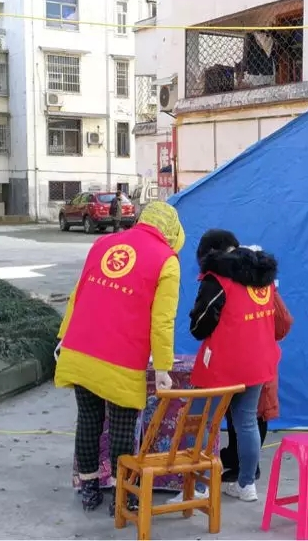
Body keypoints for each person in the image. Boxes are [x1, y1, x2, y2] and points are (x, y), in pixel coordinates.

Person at [54, 201, 184, 514]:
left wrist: (62, 337)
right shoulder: (166, 260)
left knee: (89, 420)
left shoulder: (103, 244)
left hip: (81, 348)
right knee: (122, 429)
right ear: (170, 229)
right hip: (122, 358)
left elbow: (78, 294)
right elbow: (162, 321)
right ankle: (122, 497)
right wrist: (163, 367)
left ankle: (89, 491)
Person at [188, 229, 281, 502]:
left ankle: (199, 488)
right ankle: (246, 484)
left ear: (209, 253)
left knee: (199, 423)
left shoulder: (217, 278)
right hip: (259, 362)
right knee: (247, 423)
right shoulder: (263, 277)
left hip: (223, 364)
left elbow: (200, 324)